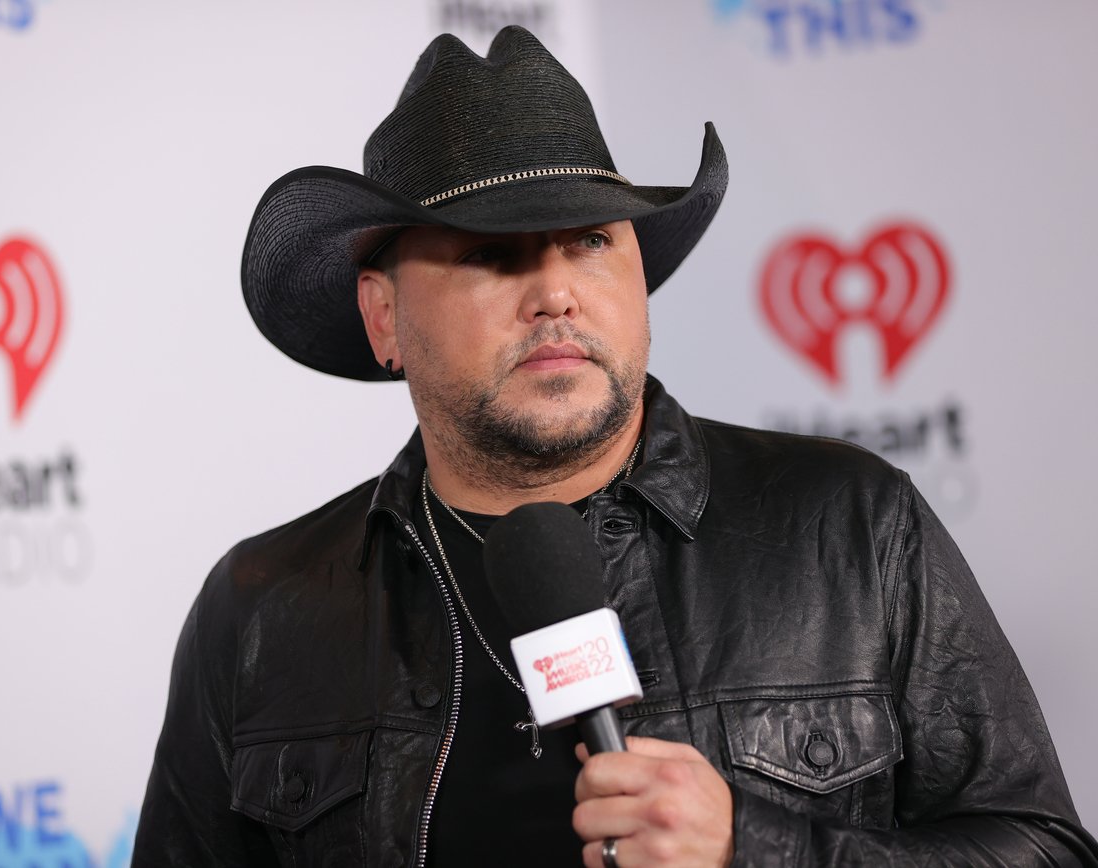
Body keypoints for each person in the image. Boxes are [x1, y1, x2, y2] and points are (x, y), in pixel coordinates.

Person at [132, 25, 1097, 868]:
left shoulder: (849, 525)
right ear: (384, 318)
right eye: (491, 253)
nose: (555, 292)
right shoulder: (262, 609)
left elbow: (1042, 849)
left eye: (590, 240)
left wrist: (749, 850)